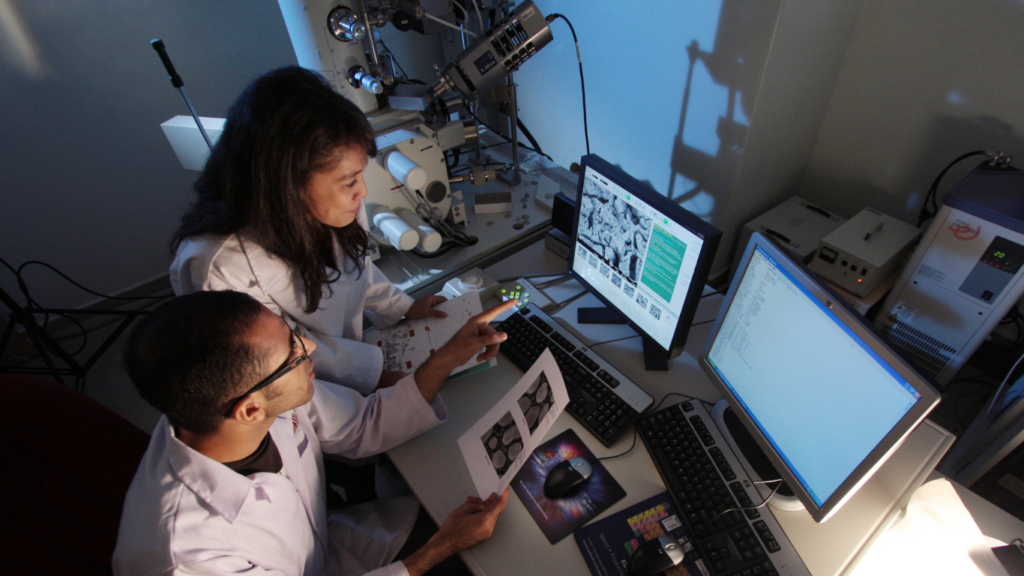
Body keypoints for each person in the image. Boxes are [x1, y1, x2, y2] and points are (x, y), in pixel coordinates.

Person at [113, 290, 515, 576]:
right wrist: (439, 549)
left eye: (292, 335)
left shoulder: (241, 402)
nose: (309, 347)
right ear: (250, 410)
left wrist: (447, 356)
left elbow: (363, 424)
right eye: (292, 353)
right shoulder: (187, 557)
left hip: (330, 547)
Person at [170, 65, 444, 395]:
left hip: (352, 363)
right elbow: (282, 353)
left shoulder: (334, 206)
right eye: (349, 182)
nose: (363, 192)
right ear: (288, 184)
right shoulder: (218, 268)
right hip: (298, 393)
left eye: (359, 175)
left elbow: (357, 270)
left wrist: (402, 306)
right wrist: (373, 376)